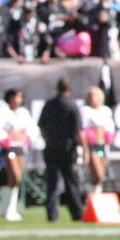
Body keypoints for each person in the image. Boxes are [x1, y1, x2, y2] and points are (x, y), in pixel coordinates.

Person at [37, 79, 87, 222]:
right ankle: (77, 212)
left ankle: (52, 214)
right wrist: (85, 151)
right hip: (68, 148)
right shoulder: (72, 105)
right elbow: (78, 132)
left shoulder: (49, 104)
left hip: (51, 147)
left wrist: (48, 139)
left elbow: (41, 125)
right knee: (71, 182)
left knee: (52, 183)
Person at [0, 88, 40, 222]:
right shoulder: (3, 111)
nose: (16, 100)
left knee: (17, 179)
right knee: (15, 175)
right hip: (9, 148)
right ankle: (8, 207)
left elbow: (32, 129)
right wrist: (5, 139)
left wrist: (28, 138)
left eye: (19, 97)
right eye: (14, 97)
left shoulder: (24, 113)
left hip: (20, 148)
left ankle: (10, 207)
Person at [80, 86, 115, 194]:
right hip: (92, 147)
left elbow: (109, 127)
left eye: (95, 95)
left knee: (101, 169)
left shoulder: (105, 111)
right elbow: (83, 128)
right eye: (90, 96)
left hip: (101, 146)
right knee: (97, 170)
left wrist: (109, 136)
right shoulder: (85, 111)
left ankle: (96, 191)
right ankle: (94, 189)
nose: (92, 98)